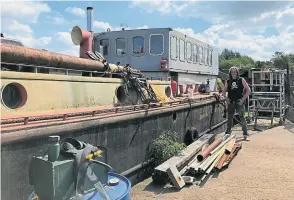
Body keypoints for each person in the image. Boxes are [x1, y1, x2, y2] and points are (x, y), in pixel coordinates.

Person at [222, 66, 251, 141]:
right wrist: (226, 98)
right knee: (230, 118)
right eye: (232, 72)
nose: (233, 73)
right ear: (230, 73)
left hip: (239, 102)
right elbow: (224, 91)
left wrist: (243, 99)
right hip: (231, 102)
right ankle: (228, 133)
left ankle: (245, 134)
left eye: (235, 72)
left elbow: (248, 90)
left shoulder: (241, 80)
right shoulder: (228, 81)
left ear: (237, 73)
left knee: (242, 118)